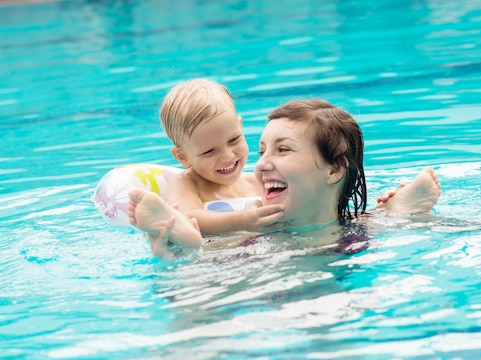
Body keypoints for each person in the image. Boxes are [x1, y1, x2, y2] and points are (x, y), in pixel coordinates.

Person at [128, 99, 441, 255]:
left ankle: (395, 210)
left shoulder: (359, 227)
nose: (260, 166)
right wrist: (180, 264)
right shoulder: (249, 245)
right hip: (273, 266)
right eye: (262, 150)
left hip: (337, 241)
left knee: (359, 221)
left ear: (334, 169)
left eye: (282, 150)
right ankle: (397, 213)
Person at [151, 78, 285, 247]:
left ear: (240, 126)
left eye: (234, 139)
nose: (227, 156)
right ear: (182, 157)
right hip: (214, 262)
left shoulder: (257, 180)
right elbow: (187, 218)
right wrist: (242, 220)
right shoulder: (186, 184)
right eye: (209, 151)